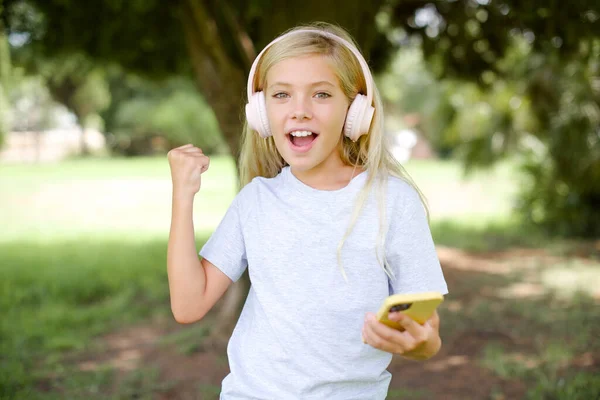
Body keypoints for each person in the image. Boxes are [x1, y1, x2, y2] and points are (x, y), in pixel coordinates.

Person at [167, 22, 448, 399]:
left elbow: (428, 336)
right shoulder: (256, 201)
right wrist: (182, 196)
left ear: (356, 111)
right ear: (262, 113)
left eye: (321, 94)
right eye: (282, 95)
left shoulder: (392, 201)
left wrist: (416, 343)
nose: (299, 111)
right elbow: (188, 304)